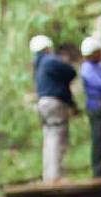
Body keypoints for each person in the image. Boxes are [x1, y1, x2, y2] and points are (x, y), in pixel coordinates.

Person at [31, 35, 78, 182]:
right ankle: (55, 176)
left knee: (50, 137)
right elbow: (71, 72)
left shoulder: (38, 65)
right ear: (47, 48)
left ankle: (49, 175)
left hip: (43, 104)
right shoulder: (50, 61)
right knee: (58, 137)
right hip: (55, 102)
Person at [80, 36, 101, 178]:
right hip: (97, 109)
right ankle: (98, 174)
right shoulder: (87, 69)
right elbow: (100, 85)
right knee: (98, 140)